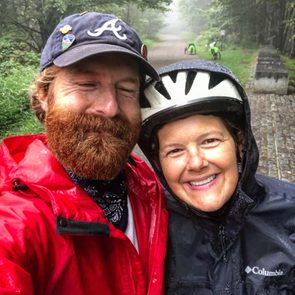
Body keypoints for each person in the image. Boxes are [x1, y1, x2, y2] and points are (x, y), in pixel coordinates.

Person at [0, 12, 167, 295]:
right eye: (87, 85)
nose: (110, 108)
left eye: (126, 89)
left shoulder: (148, 187)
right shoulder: (15, 221)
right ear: (44, 94)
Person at [138, 59, 295, 294]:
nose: (196, 163)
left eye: (210, 141)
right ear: (159, 162)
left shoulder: (290, 215)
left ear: (240, 143)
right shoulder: (146, 228)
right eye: (175, 150)